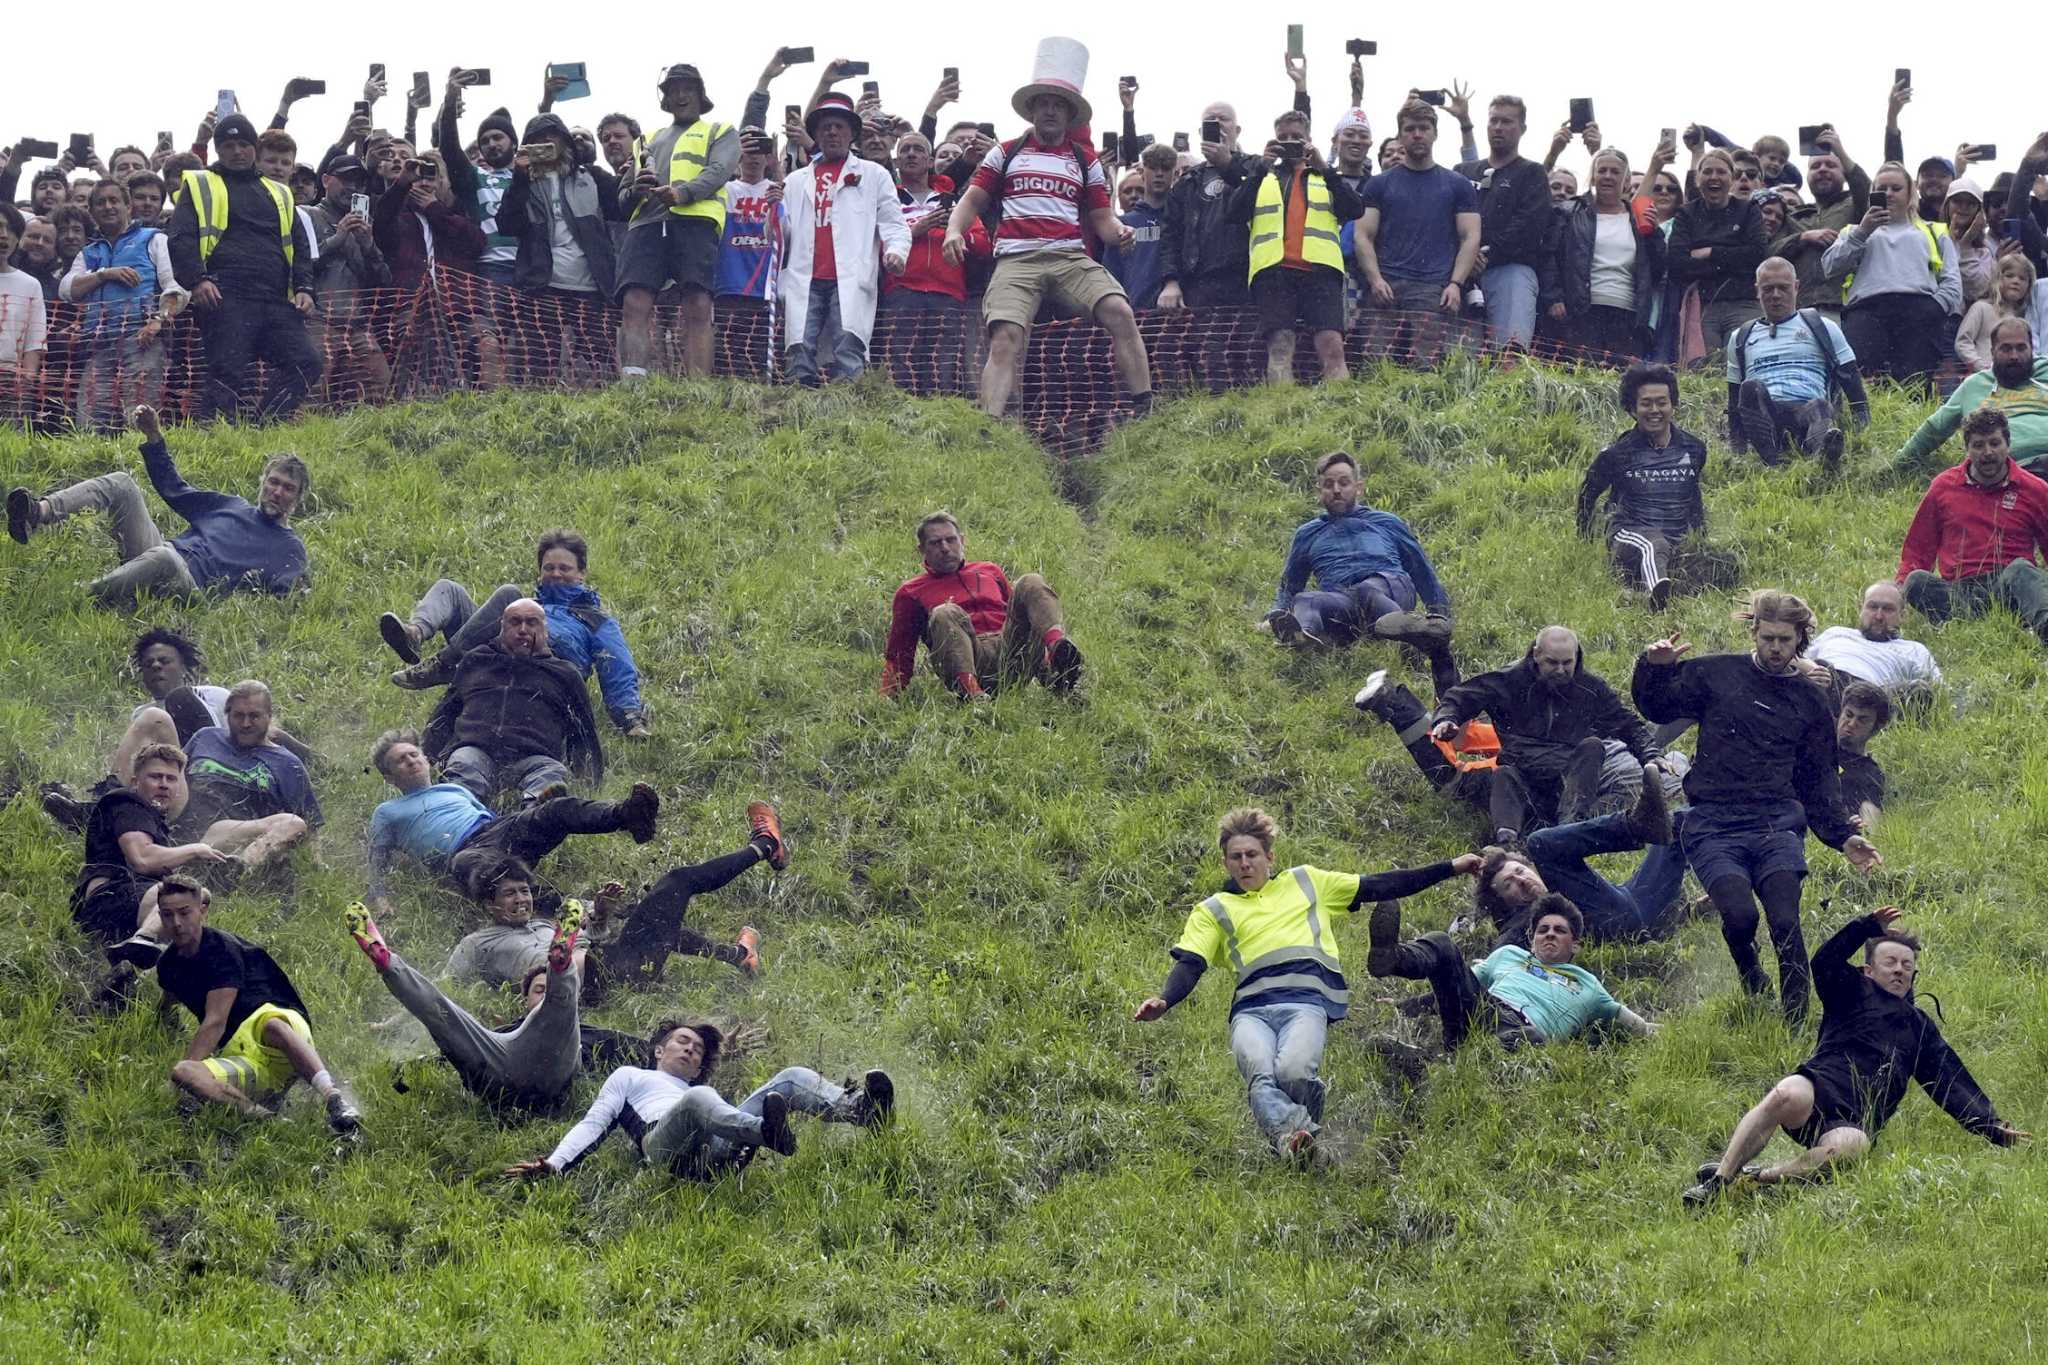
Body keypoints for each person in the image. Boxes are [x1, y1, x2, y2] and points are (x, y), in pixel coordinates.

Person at [1132, 806, 1482, 1157]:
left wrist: (1449, 867)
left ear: (1270, 857)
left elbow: (1379, 884)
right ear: (1225, 863)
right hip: (1251, 1010)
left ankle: (1295, 1142)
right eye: (1235, 857)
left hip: (1306, 1002)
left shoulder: (1306, 881)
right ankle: (1298, 1143)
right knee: (1260, 1074)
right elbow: (1192, 962)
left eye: (1252, 854)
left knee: (1294, 1072)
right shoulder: (1213, 909)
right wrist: (1165, 999)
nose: (1244, 864)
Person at [1632, 591, 1882, 1024]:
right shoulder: (1716, 673)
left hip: (1776, 822)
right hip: (1712, 821)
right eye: (1768, 638)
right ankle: (1750, 973)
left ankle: (1796, 1019)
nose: (1776, 648)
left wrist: (1844, 836)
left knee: (1785, 919)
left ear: (1800, 640)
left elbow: (1818, 780)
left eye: (1785, 640)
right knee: (1741, 915)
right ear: (1754, 633)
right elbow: (1656, 704)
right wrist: (1653, 668)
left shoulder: (1809, 701)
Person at [1683, 907, 2027, 1208]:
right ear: (1867, 970)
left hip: (1855, 1118)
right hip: (1816, 1088)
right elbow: (1824, 961)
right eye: (1890, 962)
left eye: (1907, 966)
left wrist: (1990, 1125)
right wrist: (1865, 927)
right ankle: (1720, 1180)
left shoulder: (1921, 1028)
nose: (1899, 970)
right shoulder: (1849, 989)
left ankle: (1756, 1179)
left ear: (1914, 976)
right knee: (1787, 1091)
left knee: (1852, 1148)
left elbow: (1950, 1081)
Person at [943, 37, 1153, 419]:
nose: (1051, 111)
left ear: (1070, 114)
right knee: (1005, 337)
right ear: (1033, 110)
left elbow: (1103, 219)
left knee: (1120, 311)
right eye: (1045, 103)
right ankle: (988, 426)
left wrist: (1121, 232)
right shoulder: (1004, 152)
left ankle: (1145, 407)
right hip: (1015, 262)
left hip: (1070, 258)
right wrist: (953, 230)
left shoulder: (1083, 159)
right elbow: (972, 201)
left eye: (1059, 105)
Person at [502, 1019, 895, 1180]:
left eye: (698, 1051)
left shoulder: (698, 1091)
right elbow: (594, 1123)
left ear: (699, 1066)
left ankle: (861, 1111)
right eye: (682, 1042)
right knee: (701, 1101)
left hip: (715, 1151)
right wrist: (556, 1163)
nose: (691, 1051)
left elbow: (709, 1107)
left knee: (791, 1077)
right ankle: (766, 1132)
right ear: (659, 1050)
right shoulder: (631, 1076)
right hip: (663, 1148)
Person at [7, 404, 308, 607]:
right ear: (263, 481)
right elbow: (175, 490)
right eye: (274, 482)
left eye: (288, 488)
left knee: (166, 558)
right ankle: (37, 513)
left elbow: (289, 592)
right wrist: (153, 436)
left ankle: (75, 598)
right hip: (159, 552)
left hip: (190, 588)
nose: (277, 492)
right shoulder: (232, 506)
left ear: (297, 499)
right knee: (122, 483)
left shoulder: (288, 546)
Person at [377, 528, 651, 737]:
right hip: (498, 652)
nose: (555, 573)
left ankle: (443, 666)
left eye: (564, 568)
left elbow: (616, 664)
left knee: (510, 596)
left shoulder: (594, 620)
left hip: (544, 667)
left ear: (582, 574)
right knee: (450, 589)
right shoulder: (527, 608)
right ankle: (414, 634)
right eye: (549, 567)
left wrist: (629, 716)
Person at [1412, 626, 1663, 845]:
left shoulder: (1591, 689)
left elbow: (1628, 724)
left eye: (1568, 663)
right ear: (1536, 655)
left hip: (1568, 781)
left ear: (1577, 658)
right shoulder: (1508, 681)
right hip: (1522, 776)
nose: (1561, 670)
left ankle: (1570, 826)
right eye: (1552, 663)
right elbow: (1460, 697)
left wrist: (1651, 756)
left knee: (1593, 747)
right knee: (1503, 773)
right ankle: (1507, 840)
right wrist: (1446, 719)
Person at [149, 874, 362, 1131]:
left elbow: (216, 1022)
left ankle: (333, 1098)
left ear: (202, 911)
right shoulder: (168, 965)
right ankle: (266, 1119)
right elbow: (169, 998)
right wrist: (164, 1022)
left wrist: (173, 1086)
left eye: (184, 913)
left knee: (271, 1024)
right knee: (185, 1072)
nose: (177, 923)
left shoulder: (221, 948)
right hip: (241, 1056)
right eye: (167, 915)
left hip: (279, 1033)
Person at [363, 728, 657, 914]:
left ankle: (628, 815)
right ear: (389, 777)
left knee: (555, 809)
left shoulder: (454, 789)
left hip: (496, 829)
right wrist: (379, 897)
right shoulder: (388, 811)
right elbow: (377, 858)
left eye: (414, 754)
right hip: (463, 852)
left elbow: (492, 820)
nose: (411, 761)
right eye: (400, 760)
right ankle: (588, 909)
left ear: (426, 760)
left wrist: (529, 820)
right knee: (485, 870)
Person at [346, 896, 593, 1110]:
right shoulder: (503, 1031)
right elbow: (446, 1044)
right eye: (539, 989)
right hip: (502, 1068)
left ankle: (561, 967)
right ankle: (388, 964)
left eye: (547, 989)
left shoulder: (580, 1029)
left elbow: (615, 1042)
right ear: (523, 999)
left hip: (555, 1069)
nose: (543, 996)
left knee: (561, 1006)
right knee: (443, 1014)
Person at [1365, 893, 1656, 1060]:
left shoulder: (1587, 984)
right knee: (1442, 942)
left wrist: (1673, 1033)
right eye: (1543, 930)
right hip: (1482, 1010)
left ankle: (1435, 1063)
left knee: (1531, 1037)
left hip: (1523, 1031)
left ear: (1575, 944)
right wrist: (1403, 1007)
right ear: (1532, 940)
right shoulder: (1509, 956)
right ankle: (1393, 957)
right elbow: (1458, 985)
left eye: (1559, 930)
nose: (1550, 934)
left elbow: (1638, 1026)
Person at [165, 114, 321, 421]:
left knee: (307, 362)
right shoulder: (199, 184)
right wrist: (197, 281)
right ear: (218, 150)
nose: (237, 151)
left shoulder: (279, 192)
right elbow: (181, 236)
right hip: (225, 296)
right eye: (228, 145)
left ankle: (264, 427)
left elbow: (300, 247)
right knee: (227, 374)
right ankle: (218, 445)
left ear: (254, 147)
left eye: (243, 144)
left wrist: (305, 288)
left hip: (275, 300)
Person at [1265, 451, 1455, 689]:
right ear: (1319, 491)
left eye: (1344, 483)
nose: (1336, 489)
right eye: (1329, 484)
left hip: (1389, 587)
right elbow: (1290, 585)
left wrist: (1440, 613)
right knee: (1306, 599)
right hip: (1343, 602)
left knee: (1366, 591)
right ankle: (1303, 639)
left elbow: (1421, 570)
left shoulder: (1386, 522)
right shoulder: (1307, 534)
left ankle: (1413, 638)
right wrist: (1275, 613)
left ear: (1358, 487)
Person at [778, 92, 910, 387]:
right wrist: (773, 211)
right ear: (816, 134)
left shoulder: (873, 174)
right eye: (826, 127)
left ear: (852, 134)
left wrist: (897, 252)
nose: (832, 132)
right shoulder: (796, 180)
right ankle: (799, 404)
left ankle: (850, 408)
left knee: (849, 342)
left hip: (850, 273)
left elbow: (893, 221)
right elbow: (782, 234)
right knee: (799, 344)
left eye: (839, 126)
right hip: (806, 273)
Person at [879, 510, 1082, 701]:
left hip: (1011, 650)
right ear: (922, 550)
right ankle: (974, 697)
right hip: (970, 658)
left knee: (1030, 581)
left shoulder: (989, 570)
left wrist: (1045, 668)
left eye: (951, 540)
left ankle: (1058, 658)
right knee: (944, 612)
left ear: (963, 540)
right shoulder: (911, 592)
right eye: (935, 543)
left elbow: (1023, 616)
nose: (945, 548)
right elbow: (899, 655)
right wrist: (886, 701)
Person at [1577, 364, 1735, 609]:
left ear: (1674, 405)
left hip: (1677, 537)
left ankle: (1651, 590)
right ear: (1632, 409)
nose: (1654, 410)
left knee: (1724, 562)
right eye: (1646, 403)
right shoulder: (1617, 453)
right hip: (1629, 534)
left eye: (1661, 402)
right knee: (1653, 543)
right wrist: (1585, 538)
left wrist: (1700, 535)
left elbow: (1693, 494)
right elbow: (1588, 495)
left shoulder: (1694, 448)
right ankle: (1657, 594)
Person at [420, 598, 605, 803]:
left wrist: (590, 785)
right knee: (462, 775)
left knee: (550, 779)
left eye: (531, 622)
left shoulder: (564, 674)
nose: (523, 629)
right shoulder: (476, 660)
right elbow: (445, 713)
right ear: (502, 627)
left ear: (545, 629)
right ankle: (462, 819)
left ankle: (533, 819)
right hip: (475, 751)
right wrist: (427, 755)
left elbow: (584, 734)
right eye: (515, 622)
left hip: (535, 758)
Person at [618, 64, 737, 381]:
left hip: (695, 224)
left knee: (697, 304)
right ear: (665, 99)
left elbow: (718, 171)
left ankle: (697, 388)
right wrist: (635, 189)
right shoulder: (647, 138)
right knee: (635, 302)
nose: (680, 95)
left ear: (700, 95)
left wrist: (682, 193)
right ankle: (633, 385)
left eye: (687, 89)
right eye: (673, 90)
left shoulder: (720, 131)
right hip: (646, 225)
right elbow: (622, 196)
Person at [73, 742, 234, 977]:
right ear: (136, 780)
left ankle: (136, 976)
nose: (163, 785)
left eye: (171, 779)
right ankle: (142, 941)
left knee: (197, 903)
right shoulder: (127, 803)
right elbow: (142, 858)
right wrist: (195, 850)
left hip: (130, 903)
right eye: (155, 777)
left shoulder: (153, 820)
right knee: (185, 895)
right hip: (107, 898)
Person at [1228, 110, 1363, 385]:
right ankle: (1282, 412)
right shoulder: (1262, 177)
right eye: (1283, 138)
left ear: (1309, 140)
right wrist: (1260, 167)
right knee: (1280, 345)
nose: (1290, 143)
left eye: (1296, 138)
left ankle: (1342, 410)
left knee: (1332, 345)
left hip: (1321, 270)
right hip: (1273, 271)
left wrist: (1325, 168)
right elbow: (1233, 213)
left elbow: (1355, 208)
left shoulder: (1325, 177)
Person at [1896, 406, 2048, 645]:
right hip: (1957, 591)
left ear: (2008, 444)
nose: (1988, 452)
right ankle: (1963, 623)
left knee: (2022, 570)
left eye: (1994, 443)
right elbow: (1918, 548)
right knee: (1916, 580)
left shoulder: (2035, 489)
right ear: (1967, 448)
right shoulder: (1943, 487)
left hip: (2008, 585)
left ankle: (2044, 630)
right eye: (1978, 445)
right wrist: (1897, 595)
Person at [1353, 100, 1481, 363]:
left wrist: (1456, 284)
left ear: (1435, 133)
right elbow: (1363, 235)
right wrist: (1375, 280)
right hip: (1386, 285)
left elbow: (1470, 237)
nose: (1417, 134)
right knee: (1375, 366)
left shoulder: (1458, 185)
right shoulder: (1378, 184)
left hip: (1434, 289)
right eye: (1410, 128)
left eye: (1424, 128)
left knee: (1427, 369)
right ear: (1400, 135)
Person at [60, 178, 185, 431]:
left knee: (139, 416)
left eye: (114, 200)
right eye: (100, 202)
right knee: (92, 418)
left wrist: (157, 321)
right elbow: (67, 290)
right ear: (92, 211)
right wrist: (104, 274)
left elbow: (176, 287)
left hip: (141, 339)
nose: (108, 206)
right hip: (98, 344)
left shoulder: (154, 239)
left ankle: (144, 465)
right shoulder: (88, 252)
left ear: (128, 206)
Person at [1821, 163, 1960, 384]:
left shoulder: (1935, 231)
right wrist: (1862, 232)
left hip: (1920, 312)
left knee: (1914, 388)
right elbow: (1829, 267)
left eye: (1896, 188)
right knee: (1865, 388)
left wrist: (1934, 308)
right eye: (1882, 188)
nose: (1888, 194)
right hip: (1865, 313)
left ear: (1910, 192)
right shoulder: (1853, 232)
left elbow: (1953, 282)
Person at [1725, 257, 1868, 467]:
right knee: (1749, 388)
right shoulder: (1740, 337)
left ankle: (1824, 456)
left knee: (1818, 405)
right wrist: (1737, 450)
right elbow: (1734, 401)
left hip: (1810, 414)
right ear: (1757, 290)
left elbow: (1852, 383)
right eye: (1768, 289)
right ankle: (1772, 461)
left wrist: (1862, 431)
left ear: (1796, 287)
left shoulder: (1823, 326)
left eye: (1783, 288)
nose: (1775, 295)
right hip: (1767, 417)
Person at [173, 680, 319, 871]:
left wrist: (315, 865)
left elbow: (311, 827)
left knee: (294, 824)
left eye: (254, 716)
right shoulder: (205, 737)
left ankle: (241, 869)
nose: (246, 723)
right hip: (187, 826)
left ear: (269, 716)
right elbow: (172, 775)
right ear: (227, 715)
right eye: (238, 716)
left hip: (239, 834)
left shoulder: (288, 764)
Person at [882, 130, 988, 392]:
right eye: (905, 150)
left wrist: (959, 235)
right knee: (900, 365)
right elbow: (872, 242)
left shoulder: (953, 201)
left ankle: (937, 429)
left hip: (948, 293)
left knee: (943, 370)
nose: (911, 154)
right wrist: (915, 231)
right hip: (901, 291)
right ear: (896, 162)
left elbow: (983, 244)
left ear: (930, 162)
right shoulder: (886, 200)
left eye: (918, 149)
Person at [1453, 95, 1552, 349]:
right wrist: (1466, 258)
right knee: (1460, 359)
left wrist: (1485, 253)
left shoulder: (1532, 172)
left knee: (1509, 353)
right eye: (1493, 120)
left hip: (1510, 271)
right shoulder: (1463, 171)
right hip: (1462, 274)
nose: (1498, 127)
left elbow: (1529, 225)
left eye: (1506, 121)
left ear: (1522, 129)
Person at [1547, 146, 1665, 358]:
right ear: (1593, 177)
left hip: (1628, 315)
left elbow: (1656, 269)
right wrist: (1554, 297)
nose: (1608, 176)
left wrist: (1654, 233)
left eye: (1615, 172)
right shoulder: (1570, 211)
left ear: (1627, 180)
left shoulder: (1636, 218)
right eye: (1602, 171)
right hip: (1581, 312)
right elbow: (1551, 257)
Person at [1892, 319, 2048, 478]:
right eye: (2006, 349)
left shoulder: (2045, 371)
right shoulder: (1974, 385)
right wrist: (1895, 466)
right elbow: (1935, 428)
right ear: (1992, 351)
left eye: (2021, 348)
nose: (2014, 356)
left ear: (2032, 349)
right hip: (2012, 471)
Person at [297, 154, 393, 404]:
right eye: (345, 179)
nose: (352, 188)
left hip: (358, 326)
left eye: (359, 183)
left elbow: (384, 282)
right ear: (326, 180)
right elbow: (298, 267)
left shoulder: (364, 224)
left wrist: (369, 245)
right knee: (310, 399)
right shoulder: (306, 214)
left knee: (380, 395)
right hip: (317, 322)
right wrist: (336, 240)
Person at [1668, 148, 1768, 353]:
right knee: (1705, 368)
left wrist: (1709, 252)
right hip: (1702, 305)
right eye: (1708, 172)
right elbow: (1677, 262)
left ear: (1731, 178)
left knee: (1742, 363)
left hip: (1743, 303)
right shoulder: (1686, 214)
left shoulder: (1748, 210)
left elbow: (1757, 255)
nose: (1714, 177)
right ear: (1698, 179)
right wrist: (1732, 257)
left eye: (1721, 172)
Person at [1808, 581, 1942, 704]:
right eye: (1872, 607)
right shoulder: (1836, 633)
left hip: (1869, 697)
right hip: (1823, 680)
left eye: (1888, 609)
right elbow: (1796, 657)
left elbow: (1938, 688)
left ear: (1903, 615)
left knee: (1919, 690)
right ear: (1861, 609)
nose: (1878, 616)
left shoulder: (1913, 649)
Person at [1108, 140, 1176, 311]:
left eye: (1166, 167)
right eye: (1153, 167)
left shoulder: (1183, 219)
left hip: (1176, 309)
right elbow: (1111, 271)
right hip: (1133, 309)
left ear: (1175, 174)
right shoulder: (1124, 223)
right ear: (1141, 171)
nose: (1159, 173)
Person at [0, 203, 50, 398]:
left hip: (11, 382)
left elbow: (34, 341)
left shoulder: (29, 285)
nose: (4, 235)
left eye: (11, 230)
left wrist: (26, 383)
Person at [1956, 255, 2038, 372]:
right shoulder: (1982, 308)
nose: (2016, 281)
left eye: (2022, 278)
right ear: (1997, 279)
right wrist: (1979, 366)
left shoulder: (2027, 316)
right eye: (2009, 276)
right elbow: (1962, 342)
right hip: (1986, 378)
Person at [1832, 680, 1891, 828]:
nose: (1851, 724)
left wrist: (1860, 828)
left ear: (1876, 728)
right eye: (1849, 715)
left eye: (1862, 720)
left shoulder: (1870, 773)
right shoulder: (1815, 742)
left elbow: (1871, 818)